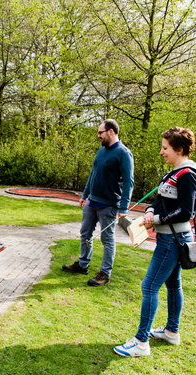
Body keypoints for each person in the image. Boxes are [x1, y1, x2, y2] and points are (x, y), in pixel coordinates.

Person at [114, 127, 196, 357]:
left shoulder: (188, 175)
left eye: (165, 148)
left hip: (173, 240)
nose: (161, 152)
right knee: (173, 285)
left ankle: (140, 342)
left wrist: (155, 219)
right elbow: (161, 199)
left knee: (149, 286)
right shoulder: (173, 173)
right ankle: (171, 332)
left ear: (179, 149)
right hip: (168, 237)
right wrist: (150, 210)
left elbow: (186, 211)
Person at [62, 119, 134, 286]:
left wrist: (124, 206)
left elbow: (129, 182)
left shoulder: (123, 153)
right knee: (85, 234)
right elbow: (93, 174)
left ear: (111, 132)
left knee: (107, 240)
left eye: (100, 132)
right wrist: (85, 194)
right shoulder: (101, 150)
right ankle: (82, 265)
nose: (98, 135)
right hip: (92, 202)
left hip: (109, 205)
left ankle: (105, 273)